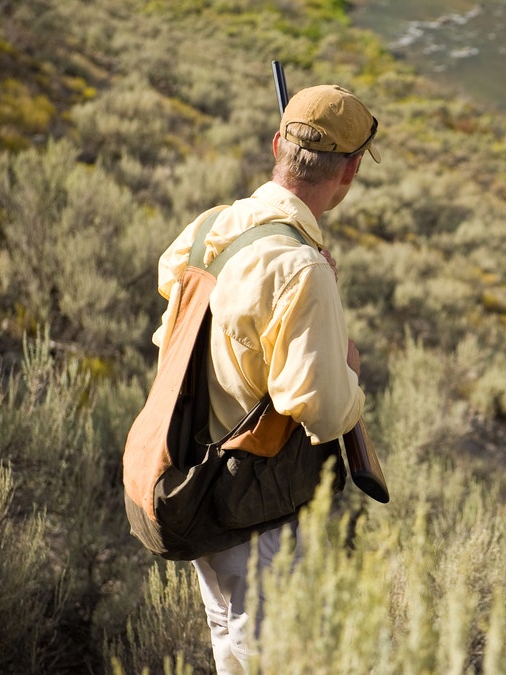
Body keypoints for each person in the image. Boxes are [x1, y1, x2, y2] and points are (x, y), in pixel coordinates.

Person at [150, 84, 380, 674]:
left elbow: (178, 305)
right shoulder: (301, 267)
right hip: (251, 505)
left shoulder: (211, 228)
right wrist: (349, 371)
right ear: (349, 172)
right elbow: (324, 412)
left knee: (229, 641)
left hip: (192, 478)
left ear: (279, 143)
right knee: (262, 659)